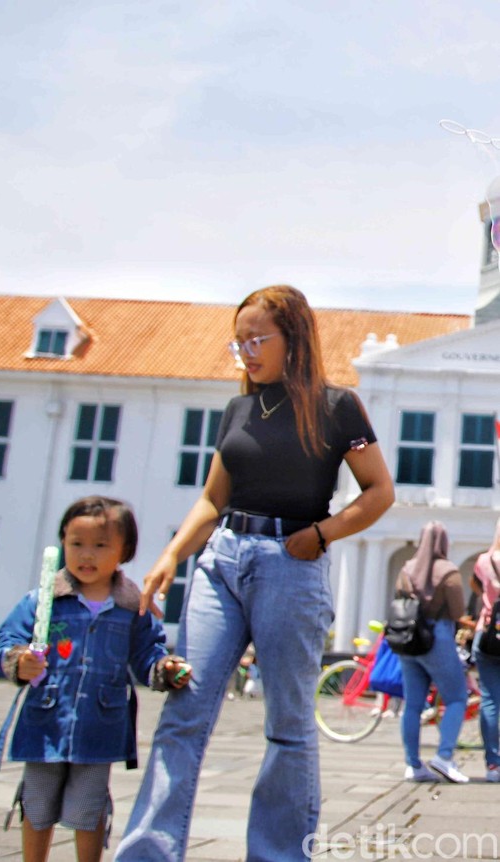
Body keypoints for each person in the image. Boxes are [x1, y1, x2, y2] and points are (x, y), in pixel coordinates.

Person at [114, 285, 395, 862]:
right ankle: (146, 853)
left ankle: (279, 854)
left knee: (287, 723)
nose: (245, 351)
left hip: (290, 566)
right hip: (221, 561)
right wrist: (171, 555)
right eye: (237, 342)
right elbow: (212, 499)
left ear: (293, 338)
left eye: (256, 339)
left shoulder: (337, 406)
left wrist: (321, 534)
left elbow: (379, 492)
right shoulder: (238, 410)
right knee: (184, 711)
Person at [0, 495, 192, 862]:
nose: (87, 555)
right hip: (44, 724)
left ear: (124, 551)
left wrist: (165, 670)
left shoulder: (132, 608)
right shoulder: (43, 601)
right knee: (36, 803)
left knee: (89, 807)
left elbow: (147, 654)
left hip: (99, 727)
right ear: (62, 543)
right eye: (76, 543)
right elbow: (7, 642)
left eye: (100, 545)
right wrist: (18, 661)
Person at [396, 521, 472, 784]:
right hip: (437, 638)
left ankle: (413, 764)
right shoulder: (448, 571)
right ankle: (444, 756)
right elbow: (458, 611)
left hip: (408, 639)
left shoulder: (406, 569)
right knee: (457, 697)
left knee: (412, 704)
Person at [472, 516, 500, 783]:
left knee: (490, 700)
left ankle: (493, 764)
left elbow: (475, 586)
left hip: (488, 633)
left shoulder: (484, 561)